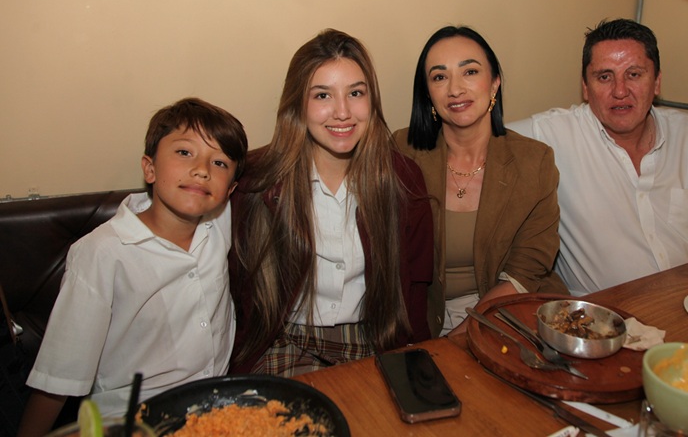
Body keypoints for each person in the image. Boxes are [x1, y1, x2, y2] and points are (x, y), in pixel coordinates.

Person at [17, 98, 248, 435]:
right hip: (131, 421)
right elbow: (59, 375)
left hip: (214, 411)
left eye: (219, 162)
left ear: (229, 191)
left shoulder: (218, 221)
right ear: (149, 168)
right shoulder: (102, 253)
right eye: (185, 153)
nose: (202, 169)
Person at [229, 29, 433, 377]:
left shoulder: (402, 179)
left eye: (356, 93)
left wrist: (418, 368)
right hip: (285, 342)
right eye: (323, 95)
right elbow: (236, 289)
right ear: (298, 104)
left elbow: (415, 289)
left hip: (373, 341)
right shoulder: (256, 180)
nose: (342, 112)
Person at [508, 18, 688, 296]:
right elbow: (480, 138)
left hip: (686, 307)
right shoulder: (553, 135)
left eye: (634, 74)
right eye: (604, 77)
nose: (620, 90)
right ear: (585, 88)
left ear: (657, 81)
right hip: (603, 322)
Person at [393, 25, 567, 339]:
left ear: (495, 83)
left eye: (469, 71)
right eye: (439, 76)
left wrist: (460, 337)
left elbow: (527, 270)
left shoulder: (534, 162)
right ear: (428, 92)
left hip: (507, 311)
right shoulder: (402, 153)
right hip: (421, 317)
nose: (455, 89)